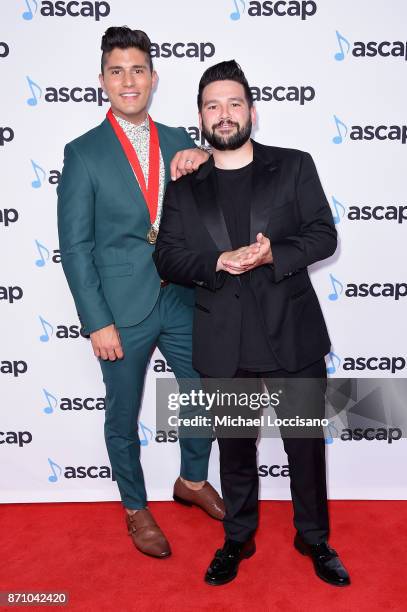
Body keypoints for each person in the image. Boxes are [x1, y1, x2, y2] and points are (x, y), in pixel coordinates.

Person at [153, 60, 350, 585]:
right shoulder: (187, 184)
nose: (224, 114)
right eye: (213, 105)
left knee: (305, 450)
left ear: (252, 112)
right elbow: (167, 258)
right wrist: (215, 263)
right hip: (224, 341)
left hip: (292, 334)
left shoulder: (293, 165)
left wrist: (272, 255)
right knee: (235, 451)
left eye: (234, 103)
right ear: (200, 116)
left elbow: (323, 236)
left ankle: (313, 538)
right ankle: (238, 539)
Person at [57, 27, 224, 560]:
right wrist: (95, 320)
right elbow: (75, 247)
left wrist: (203, 158)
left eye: (137, 70)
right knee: (123, 413)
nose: (128, 81)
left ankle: (192, 482)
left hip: (178, 297)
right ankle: (134, 505)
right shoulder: (82, 154)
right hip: (120, 310)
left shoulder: (178, 139)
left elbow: (213, 193)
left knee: (201, 395)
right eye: (116, 71)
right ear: (102, 81)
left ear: (153, 78)